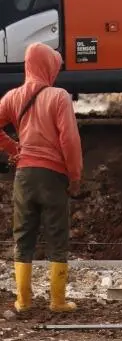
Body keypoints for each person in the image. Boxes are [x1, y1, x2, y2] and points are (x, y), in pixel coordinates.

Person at [0, 44, 83, 313]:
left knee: (23, 236)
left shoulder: (13, 97)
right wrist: (75, 176)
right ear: (49, 66)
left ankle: (23, 302)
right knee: (57, 236)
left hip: (24, 176)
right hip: (53, 176)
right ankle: (57, 301)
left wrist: (14, 149)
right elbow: (69, 140)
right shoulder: (59, 97)